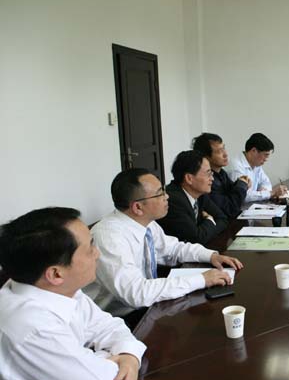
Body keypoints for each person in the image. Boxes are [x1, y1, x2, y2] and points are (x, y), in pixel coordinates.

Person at [0, 207, 147, 380]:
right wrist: (106, 360)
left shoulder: (56, 288)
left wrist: (128, 355)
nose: (97, 253)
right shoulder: (30, 327)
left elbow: (109, 327)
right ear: (56, 274)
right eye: (90, 248)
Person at [85, 168, 243, 320]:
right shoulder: (109, 237)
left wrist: (211, 256)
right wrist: (202, 279)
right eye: (160, 193)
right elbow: (136, 294)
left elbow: (173, 249)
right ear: (138, 207)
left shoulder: (145, 222)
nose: (167, 197)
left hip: (147, 306)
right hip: (119, 318)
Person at [157, 150, 229, 245]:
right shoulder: (173, 200)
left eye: (211, 174)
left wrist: (204, 230)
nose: (212, 178)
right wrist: (209, 220)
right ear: (189, 178)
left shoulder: (200, 194)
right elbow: (197, 238)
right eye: (208, 174)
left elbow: (223, 219)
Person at [192, 132, 250, 219]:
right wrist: (242, 185)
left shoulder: (221, 173)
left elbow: (232, 193)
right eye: (219, 151)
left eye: (224, 148)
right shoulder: (207, 181)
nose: (225, 154)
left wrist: (241, 182)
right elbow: (230, 209)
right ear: (206, 157)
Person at [226, 133, 287, 202]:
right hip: (240, 207)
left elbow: (266, 182)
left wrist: (264, 191)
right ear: (254, 151)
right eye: (265, 155)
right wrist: (270, 193)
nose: (266, 159)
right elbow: (244, 195)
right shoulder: (236, 167)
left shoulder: (255, 164)